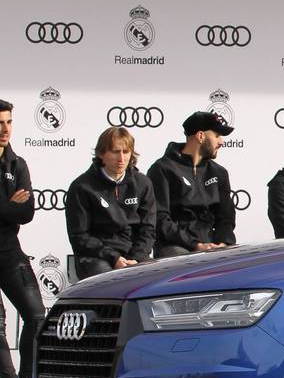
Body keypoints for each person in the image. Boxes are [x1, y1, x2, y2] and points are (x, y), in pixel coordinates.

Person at [65, 127, 157, 279]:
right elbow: (79, 236)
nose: (121, 158)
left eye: (126, 152)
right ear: (101, 154)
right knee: (109, 281)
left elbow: (148, 229)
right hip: (97, 257)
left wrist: (137, 258)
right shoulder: (82, 187)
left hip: (134, 255)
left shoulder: (142, 183)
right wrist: (114, 258)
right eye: (115, 151)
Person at [146, 111, 236, 257]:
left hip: (211, 245)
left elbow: (226, 217)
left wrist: (223, 243)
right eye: (217, 136)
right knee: (182, 259)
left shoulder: (219, 172)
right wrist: (195, 245)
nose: (221, 142)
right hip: (175, 246)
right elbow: (160, 218)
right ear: (201, 136)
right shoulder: (162, 169)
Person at [0, 99, 40, 378]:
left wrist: (12, 206)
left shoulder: (18, 163)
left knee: (37, 316)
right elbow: (14, 208)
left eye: (9, 122)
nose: (4, 129)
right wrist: (8, 205)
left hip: (8, 249)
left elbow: (26, 212)